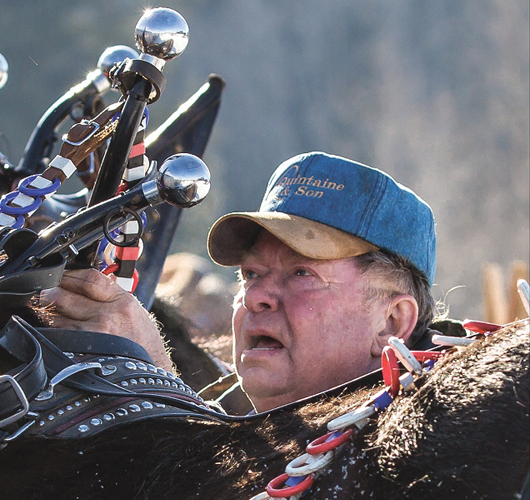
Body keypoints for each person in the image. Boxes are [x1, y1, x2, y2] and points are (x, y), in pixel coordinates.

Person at [42, 151, 437, 414]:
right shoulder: (232, 416)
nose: (256, 297)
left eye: (302, 273)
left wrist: (155, 385)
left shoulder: (427, 449)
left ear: (391, 323)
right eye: (250, 274)